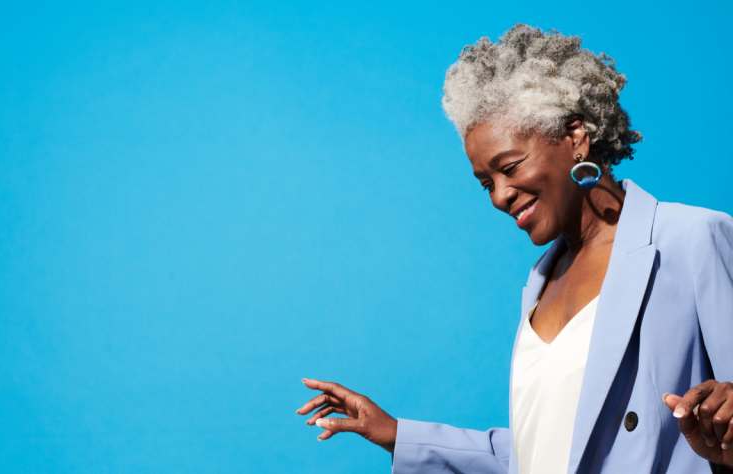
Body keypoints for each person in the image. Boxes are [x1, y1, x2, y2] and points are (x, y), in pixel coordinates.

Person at [295, 24, 733, 473]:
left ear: (575, 136)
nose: (500, 196)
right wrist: (396, 433)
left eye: (510, 167)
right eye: (486, 183)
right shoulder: (539, 282)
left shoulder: (690, 239)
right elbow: (544, 452)